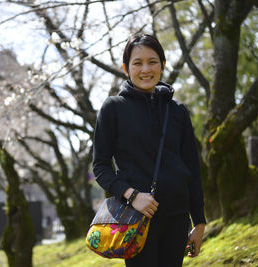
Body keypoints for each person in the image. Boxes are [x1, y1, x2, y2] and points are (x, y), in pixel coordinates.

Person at [92, 33, 206, 267]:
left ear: (162, 65)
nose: (146, 69)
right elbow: (100, 167)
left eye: (152, 62)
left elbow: (192, 169)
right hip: (136, 219)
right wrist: (132, 195)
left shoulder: (177, 111)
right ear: (126, 68)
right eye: (137, 63)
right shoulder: (113, 108)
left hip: (177, 216)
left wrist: (200, 222)